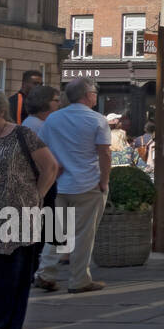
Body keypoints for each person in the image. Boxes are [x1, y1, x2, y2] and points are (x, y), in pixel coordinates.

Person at [0, 90, 59, 329]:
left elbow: (50, 167)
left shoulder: (23, 135)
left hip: (15, 213)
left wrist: (36, 198)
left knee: (2, 270)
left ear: (0, 111)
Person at [35, 79, 112, 294]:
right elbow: (104, 153)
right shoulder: (97, 120)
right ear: (87, 95)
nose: (96, 96)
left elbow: (41, 148)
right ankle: (79, 279)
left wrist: (53, 168)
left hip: (59, 183)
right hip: (87, 183)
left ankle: (45, 272)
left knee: (56, 231)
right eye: (94, 92)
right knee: (84, 234)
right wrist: (104, 182)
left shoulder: (53, 120)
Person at [21, 86, 61, 274]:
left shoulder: (34, 123)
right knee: (47, 229)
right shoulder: (38, 126)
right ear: (45, 103)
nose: (59, 103)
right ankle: (40, 270)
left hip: (42, 182)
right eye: (55, 100)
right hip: (42, 183)